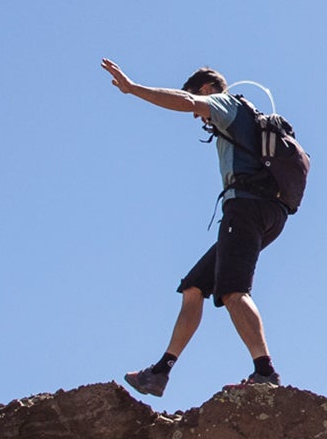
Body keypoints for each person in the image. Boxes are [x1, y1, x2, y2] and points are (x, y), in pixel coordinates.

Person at [100, 59, 285, 395]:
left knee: (232, 291)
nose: (198, 117)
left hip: (246, 207)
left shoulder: (225, 103)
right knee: (195, 286)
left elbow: (185, 103)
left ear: (204, 89)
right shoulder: (248, 117)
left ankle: (265, 373)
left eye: (199, 105)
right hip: (266, 212)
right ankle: (160, 372)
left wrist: (134, 89)